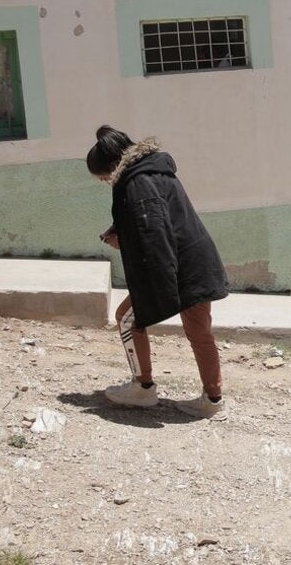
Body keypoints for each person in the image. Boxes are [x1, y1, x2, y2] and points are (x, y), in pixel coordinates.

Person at [86, 125, 229, 418]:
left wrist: (122, 241)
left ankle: (142, 388)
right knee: (200, 333)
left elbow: (154, 233)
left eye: (103, 177)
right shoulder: (154, 171)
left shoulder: (137, 183)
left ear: (113, 166)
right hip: (196, 262)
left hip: (178, 268)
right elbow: (152, 218)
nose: (105, 182)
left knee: (126, 319)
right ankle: (212, 400)